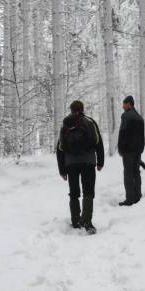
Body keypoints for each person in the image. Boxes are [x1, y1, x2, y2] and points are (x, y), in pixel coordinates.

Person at [56, 100, 104, 234]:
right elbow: (98, 143)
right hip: (88, 162)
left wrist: (62, 169)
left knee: (74, 191)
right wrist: (100, 162)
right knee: (88, 191)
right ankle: (87, 222)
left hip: (71, 163)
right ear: (82, 109)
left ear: (71, 109)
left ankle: (76, 220)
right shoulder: (90, 122)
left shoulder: (65, 125)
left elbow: (60, 149)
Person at [117, 94, 145, 206]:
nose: (123, 106)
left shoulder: (126, 116)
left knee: (128, 174)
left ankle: (129, 198)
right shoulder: (139, 117)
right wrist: (141, 148)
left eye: (124, 104)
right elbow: (142, 135)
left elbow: (122, 133)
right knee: (136, 173)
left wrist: (120, 148)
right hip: (138, 150)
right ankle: (137, 195)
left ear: (128, 104)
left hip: (128, 150)